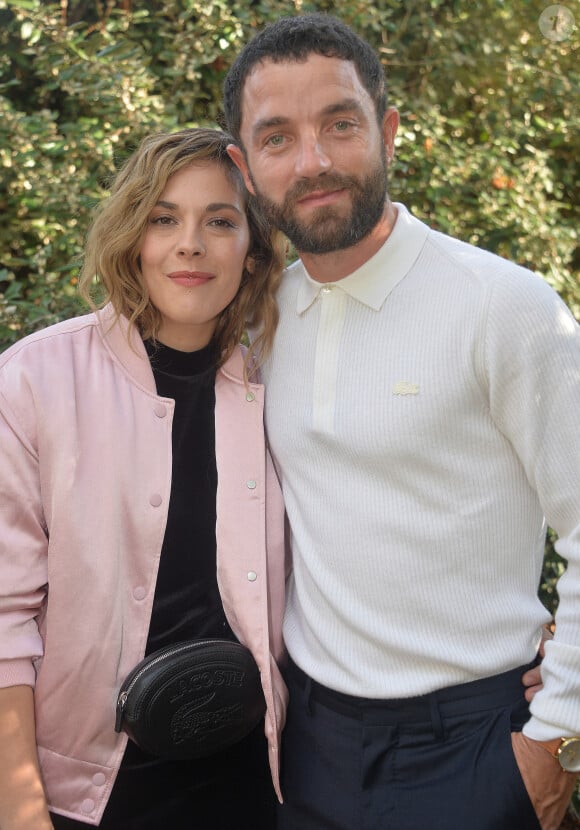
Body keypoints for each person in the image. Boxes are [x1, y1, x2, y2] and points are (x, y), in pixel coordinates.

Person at [222, 13, 580, 830]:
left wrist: (560, 737)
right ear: (245, 167)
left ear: (386, 131)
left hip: (480, 744)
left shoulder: (505, 307)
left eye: (340, 125)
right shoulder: (259, 317)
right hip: (306, 744)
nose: (312, 162)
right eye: (277, 138)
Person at [0, 127, 288, 829]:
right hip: (84, 798)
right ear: (134, 236)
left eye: (220, 221)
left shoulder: (282, 390)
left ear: (252, 251)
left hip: (253, 785)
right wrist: (18, 804)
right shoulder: (37, 380)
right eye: (164, 218)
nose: (190, 243)